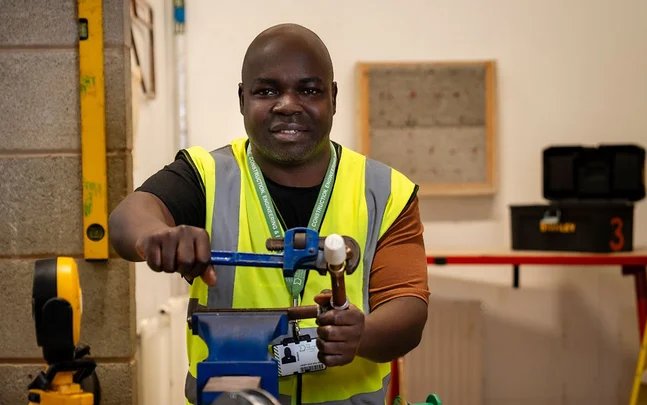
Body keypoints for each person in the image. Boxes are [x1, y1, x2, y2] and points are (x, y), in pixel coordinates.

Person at [108, 23, 430, 405]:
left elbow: (408, 309)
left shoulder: (385, 190)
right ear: (243, 98)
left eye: (309, 90)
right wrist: (154, 236)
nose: (288, 105)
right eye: (267, 91)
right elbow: (129, 217)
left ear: (333, 98)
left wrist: (362, 334)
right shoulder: (206, 176)